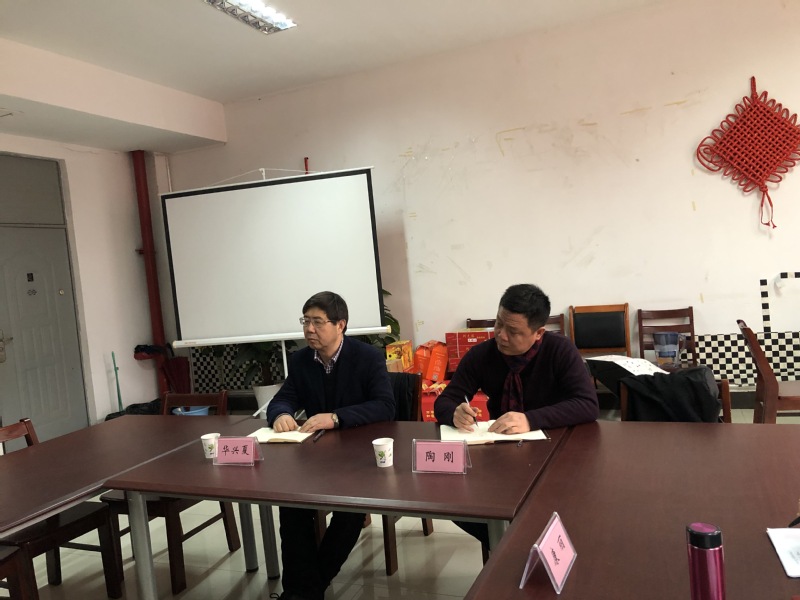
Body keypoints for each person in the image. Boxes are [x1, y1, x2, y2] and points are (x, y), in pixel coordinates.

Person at [434, 283, 598, 547]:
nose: (501, 335)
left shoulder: (560, 351)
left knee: (562, 509)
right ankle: (506, 547)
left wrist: (530, 419)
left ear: (538, 333)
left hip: (555, 453)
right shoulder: (482, 355)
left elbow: (587, 404)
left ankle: (518, 547)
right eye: (498, 323)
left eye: (513, 331)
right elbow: (445, 400)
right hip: (502, 455)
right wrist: (454, 412)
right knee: (455, 500)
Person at [266, 291, 395, 600]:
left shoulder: (367, 357)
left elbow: (385, 406)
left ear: (341, 325)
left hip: (359, 457)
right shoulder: (301, 360)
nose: (309, 329)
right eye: (305, 321)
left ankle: (303, 592)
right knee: (291, 505)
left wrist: (336, 418)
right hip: (316, 458)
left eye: (318, 322)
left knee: (349, 513)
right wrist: (281, 414)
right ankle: (302, 591)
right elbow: (283, 398)